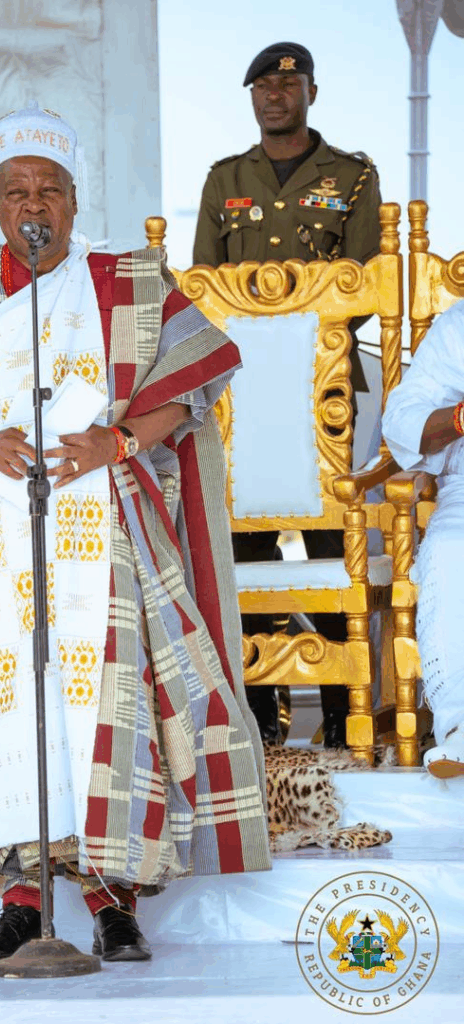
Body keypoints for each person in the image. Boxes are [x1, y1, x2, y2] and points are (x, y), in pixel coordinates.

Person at [0, 105, 271, 966]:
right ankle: (20, 900)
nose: (32, 204)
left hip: (99, 530)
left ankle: (110, 899)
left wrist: (115, 442)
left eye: (48, 189)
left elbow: (194, 381)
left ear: (74, 199)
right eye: (16, 191)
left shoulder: (127, 283)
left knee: (100, 706)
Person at [192, 42, 383, 747]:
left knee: (335, 544)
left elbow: (364, 284)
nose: (274, 97)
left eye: (287, 85)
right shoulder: (225, 179)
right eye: (262, 88)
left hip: (321, 388)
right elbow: (203, 286)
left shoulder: (352, 178)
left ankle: (339, 715)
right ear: (252, 98)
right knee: (247, 549)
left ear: (310, 93)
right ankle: (261, 721)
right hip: (238, 396)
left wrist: (298, 342)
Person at [383, 301, 464, 778]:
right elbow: (403, 417)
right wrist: (459, 417)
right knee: (451, 552)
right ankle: (460, 728)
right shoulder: (458, 326)